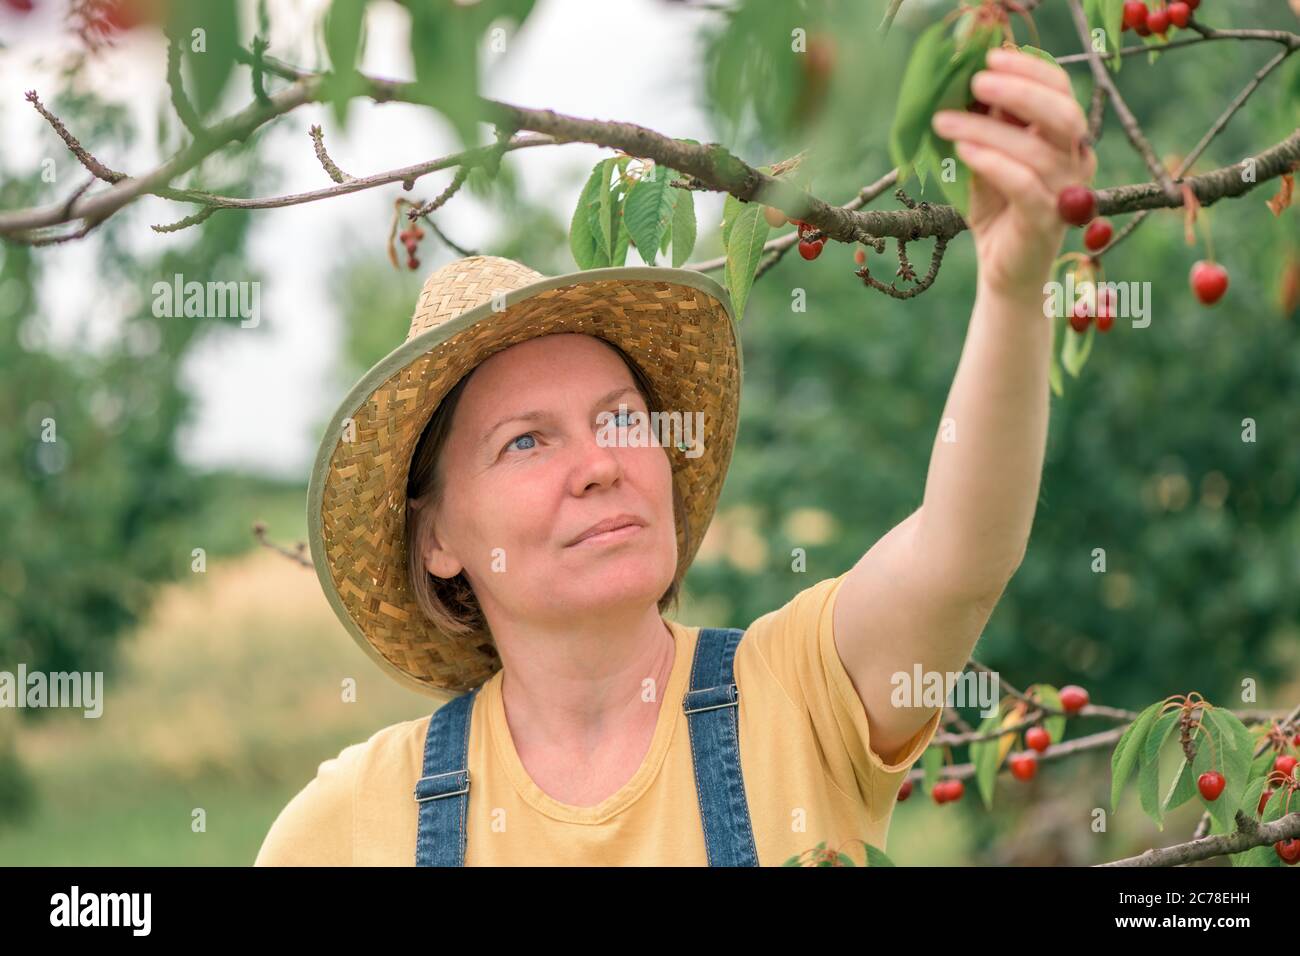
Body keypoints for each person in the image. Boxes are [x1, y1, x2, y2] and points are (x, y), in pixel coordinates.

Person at [254, 46, 1094, 866]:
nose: (599, 464)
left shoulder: (799, 696)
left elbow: (963, 552)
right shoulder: (349, 826)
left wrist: (1016, 287)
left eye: (621, 421)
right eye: (525, 441)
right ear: (436, 539)